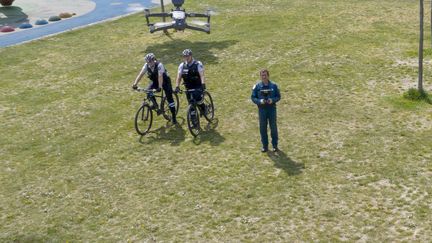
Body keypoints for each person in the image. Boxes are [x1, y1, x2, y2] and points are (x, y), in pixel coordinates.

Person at [132, 53, 177, 124]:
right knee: (148, 91)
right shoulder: (146, 66)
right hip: (155, 81)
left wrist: (159, 87)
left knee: (169, 98)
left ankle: (174, 117)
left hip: (165, 81)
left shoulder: (159, 65)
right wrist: (135, 84)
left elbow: (160, 76)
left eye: (150, 61)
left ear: (154, 60)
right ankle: (155, 105)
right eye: (147, 61)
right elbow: (140, 74)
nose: (148, 63)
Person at [251, 69, 281, 152]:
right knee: (263, 128)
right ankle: (265, 146)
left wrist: (272, 100)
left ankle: (275, 145)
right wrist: (259, 101)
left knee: (273, 128)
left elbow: (278, 96)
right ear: (260, 76)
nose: (264, 77)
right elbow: (253, 97)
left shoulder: (274, 86)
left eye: (265, 75)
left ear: (268, 75)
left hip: (272, 109)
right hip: (262, 110)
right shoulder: (257, 86)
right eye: (262, 75)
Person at [175, 49, 206, 114]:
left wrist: (203, 83)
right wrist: (177, 86)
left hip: (197, 85)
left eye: (187, 56)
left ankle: (204, 107)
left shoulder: (198, 63)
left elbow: (202, 75)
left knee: (198, 99)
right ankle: (193, 120)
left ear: (191, 56)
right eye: (184, 56)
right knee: (190, 103)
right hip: (188, 87)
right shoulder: (182, 65)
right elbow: (179, 77)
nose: (186, 58)